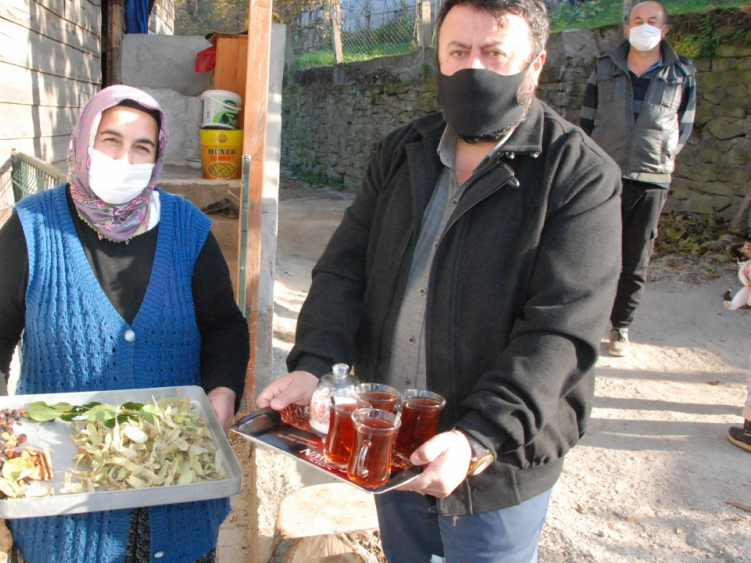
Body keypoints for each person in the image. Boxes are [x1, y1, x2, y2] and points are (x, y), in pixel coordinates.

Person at [256, 0, 622, 560]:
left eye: (495, 53)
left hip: (497, 462)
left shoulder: (580, 175)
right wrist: (313, 368)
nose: (473, 69)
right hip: (393, 441)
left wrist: (478, 437)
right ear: (439, 60)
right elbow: (344, 270)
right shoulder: (402, 152)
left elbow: (562, 331)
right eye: (458, 52)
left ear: (536, 64)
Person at [0, 85, 250, 563]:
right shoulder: (31, 228)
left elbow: (223, 325)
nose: (124, 158)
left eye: (143, 147)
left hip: (179, 496)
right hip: (64, 511)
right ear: (83, 143)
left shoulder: (189, 229)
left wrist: (222, 390)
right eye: (110, 141)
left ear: (158, 157)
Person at [579, 1, 697, 357]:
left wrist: (662, 156)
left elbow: (685, 126)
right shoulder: (604, 67)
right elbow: (587, 119)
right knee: (593, 252)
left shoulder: (682, 72)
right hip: (606, 175)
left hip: (651, 176)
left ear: (665, 29)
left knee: (635, 257)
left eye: (653, 21)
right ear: (626, 28)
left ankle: (621, 328)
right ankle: (585, 321)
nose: (644, 26)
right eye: (637, 20)